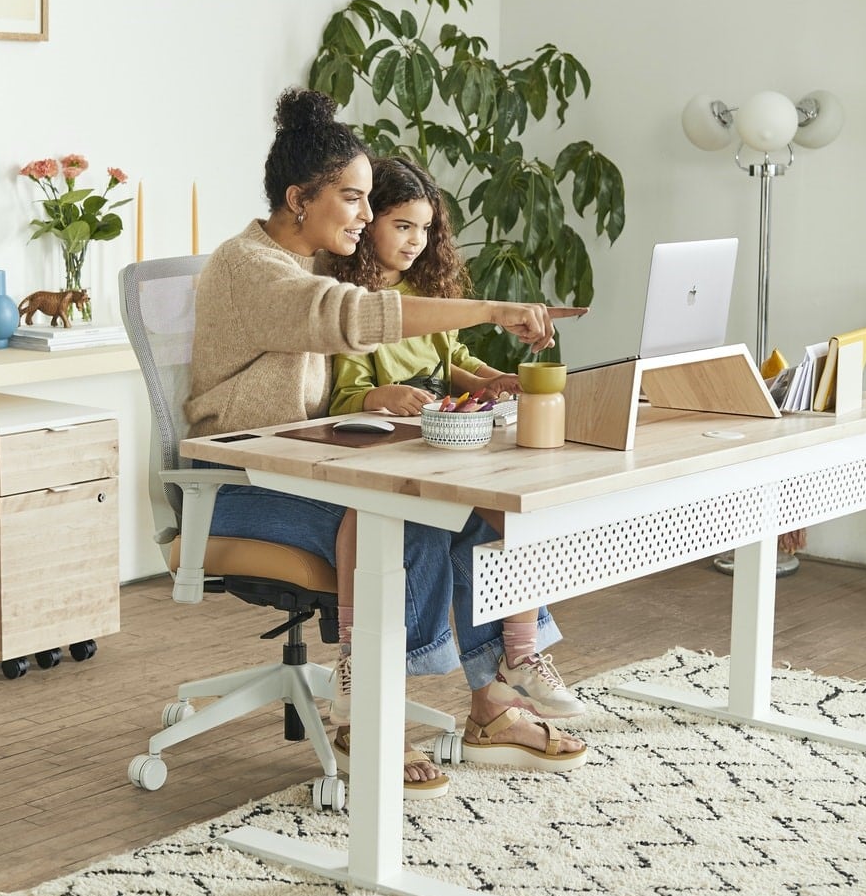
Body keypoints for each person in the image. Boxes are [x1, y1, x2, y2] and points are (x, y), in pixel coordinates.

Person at [186, 88, 587, 797]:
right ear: (298, 197)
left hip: (306, 463)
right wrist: (495, 308)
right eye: (353, 198)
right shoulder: (252, 268)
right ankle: (363, 709)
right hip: (238, 484)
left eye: (372, 201)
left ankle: (495, 702)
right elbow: (357, 318)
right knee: (404, 514)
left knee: (470, 508)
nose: (368, 218)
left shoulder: (310, 262)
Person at [325, 155, 585, 731]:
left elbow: (452, 363)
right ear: (367, 223)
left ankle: (519, 655)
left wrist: (492, 381)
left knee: (513, 511)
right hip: (382, 451)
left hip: (441, 442)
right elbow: (340, 398)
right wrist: (378, 396)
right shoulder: (346, 301)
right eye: (401, 226)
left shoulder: (427, 292)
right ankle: (358, 662)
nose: (416, 242)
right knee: (390, 517)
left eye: (424, 229)